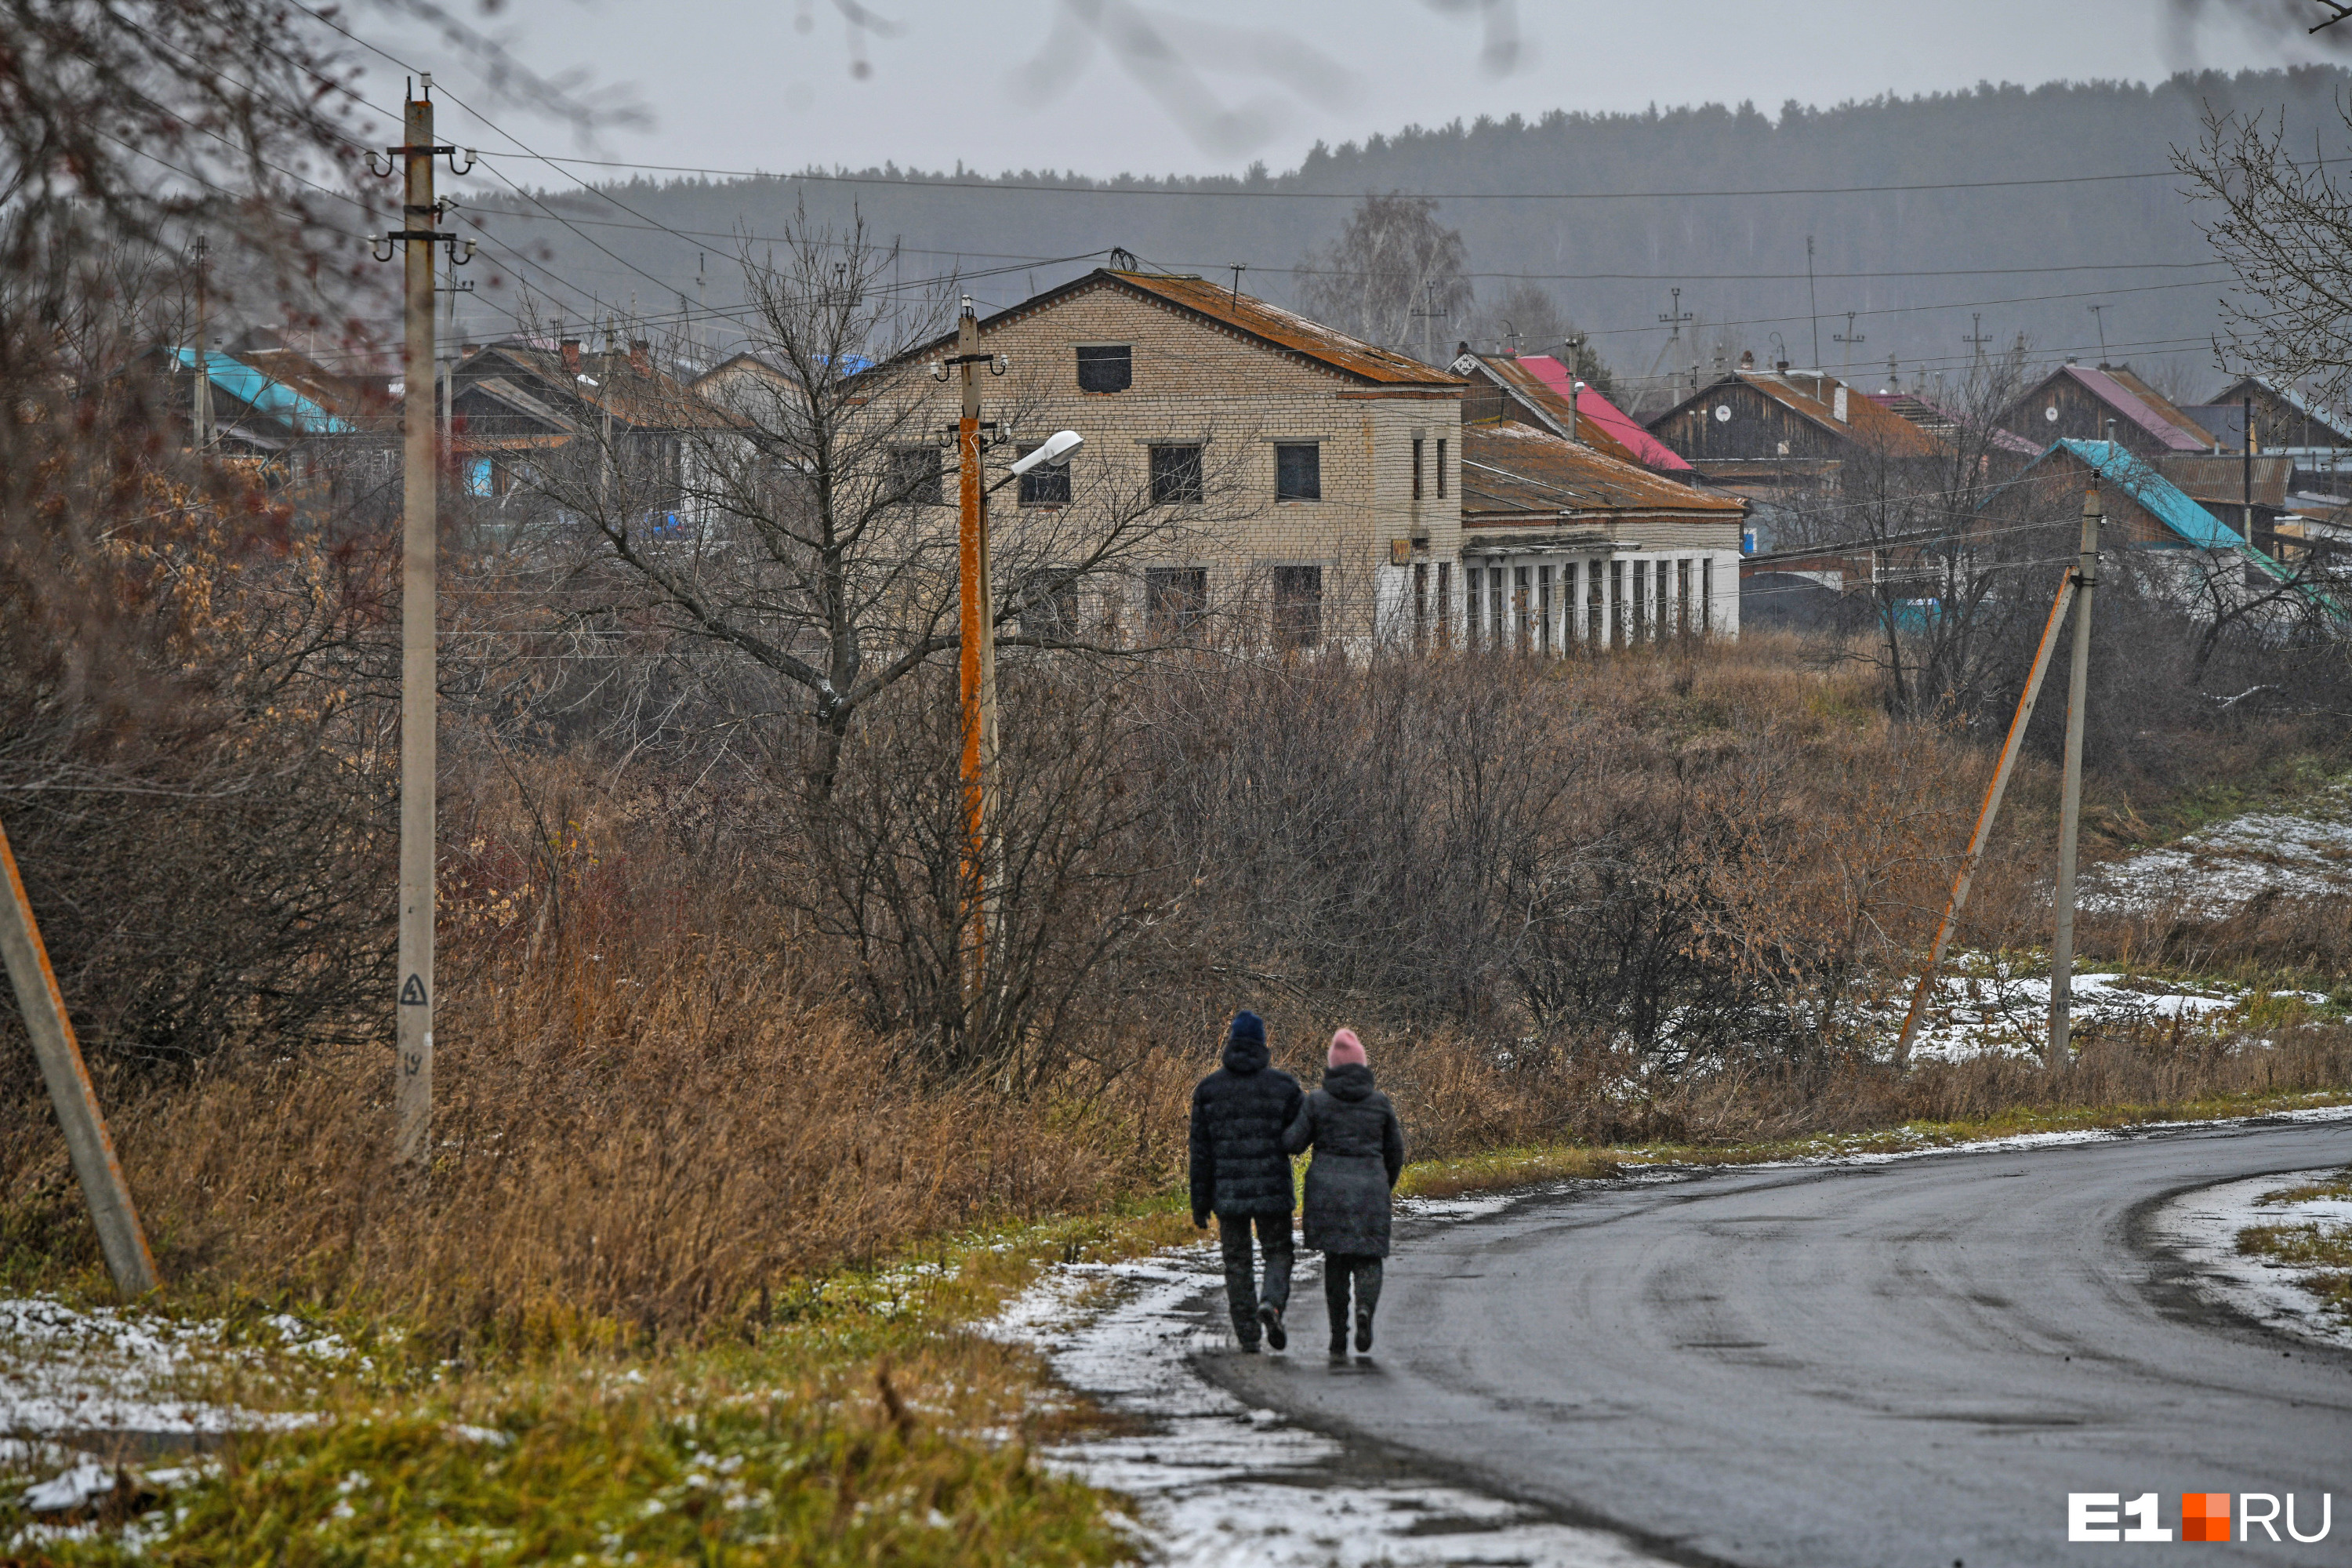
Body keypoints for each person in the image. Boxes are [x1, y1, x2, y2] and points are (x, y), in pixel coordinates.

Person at [1282, 1028, 1404, 1361]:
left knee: (1335, 1261)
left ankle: (1339, 1338)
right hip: (1371, 1189)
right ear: (1363, 1065)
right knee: (1369, 1258)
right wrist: (1383, 1183)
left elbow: (1293, 1143)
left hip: (1328, 1193)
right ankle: (1365, 1309)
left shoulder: (1317, 1102)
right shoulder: (1380, 1104)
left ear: (1332, 1067)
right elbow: (1396, 1152)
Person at [1189, 1010, 1304, 1352]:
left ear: (1231, 1043)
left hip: (1229, 1193)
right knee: (1278, 1252)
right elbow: (1300, 1136)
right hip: (1272, 1191)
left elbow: (1201, 1154)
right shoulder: (1284, 1087)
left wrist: (1200, 1203)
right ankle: (1272, 1303)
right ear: (1262, 1044)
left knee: (1237, 1262)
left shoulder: (1209, 1090)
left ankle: (1248, 1334)